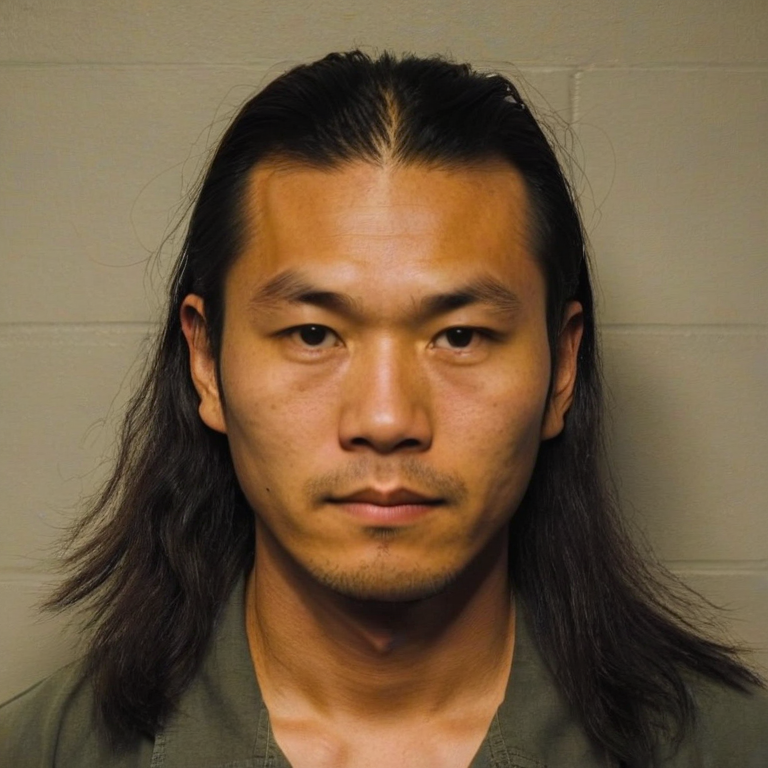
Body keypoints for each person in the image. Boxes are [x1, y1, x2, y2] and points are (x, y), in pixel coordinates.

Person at [0, 50, 766, 768]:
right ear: (206, 362)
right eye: (313, 334)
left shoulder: (731, 746)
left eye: (460, 336)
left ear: (562, 367)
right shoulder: (44, 749)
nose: (387, 418)